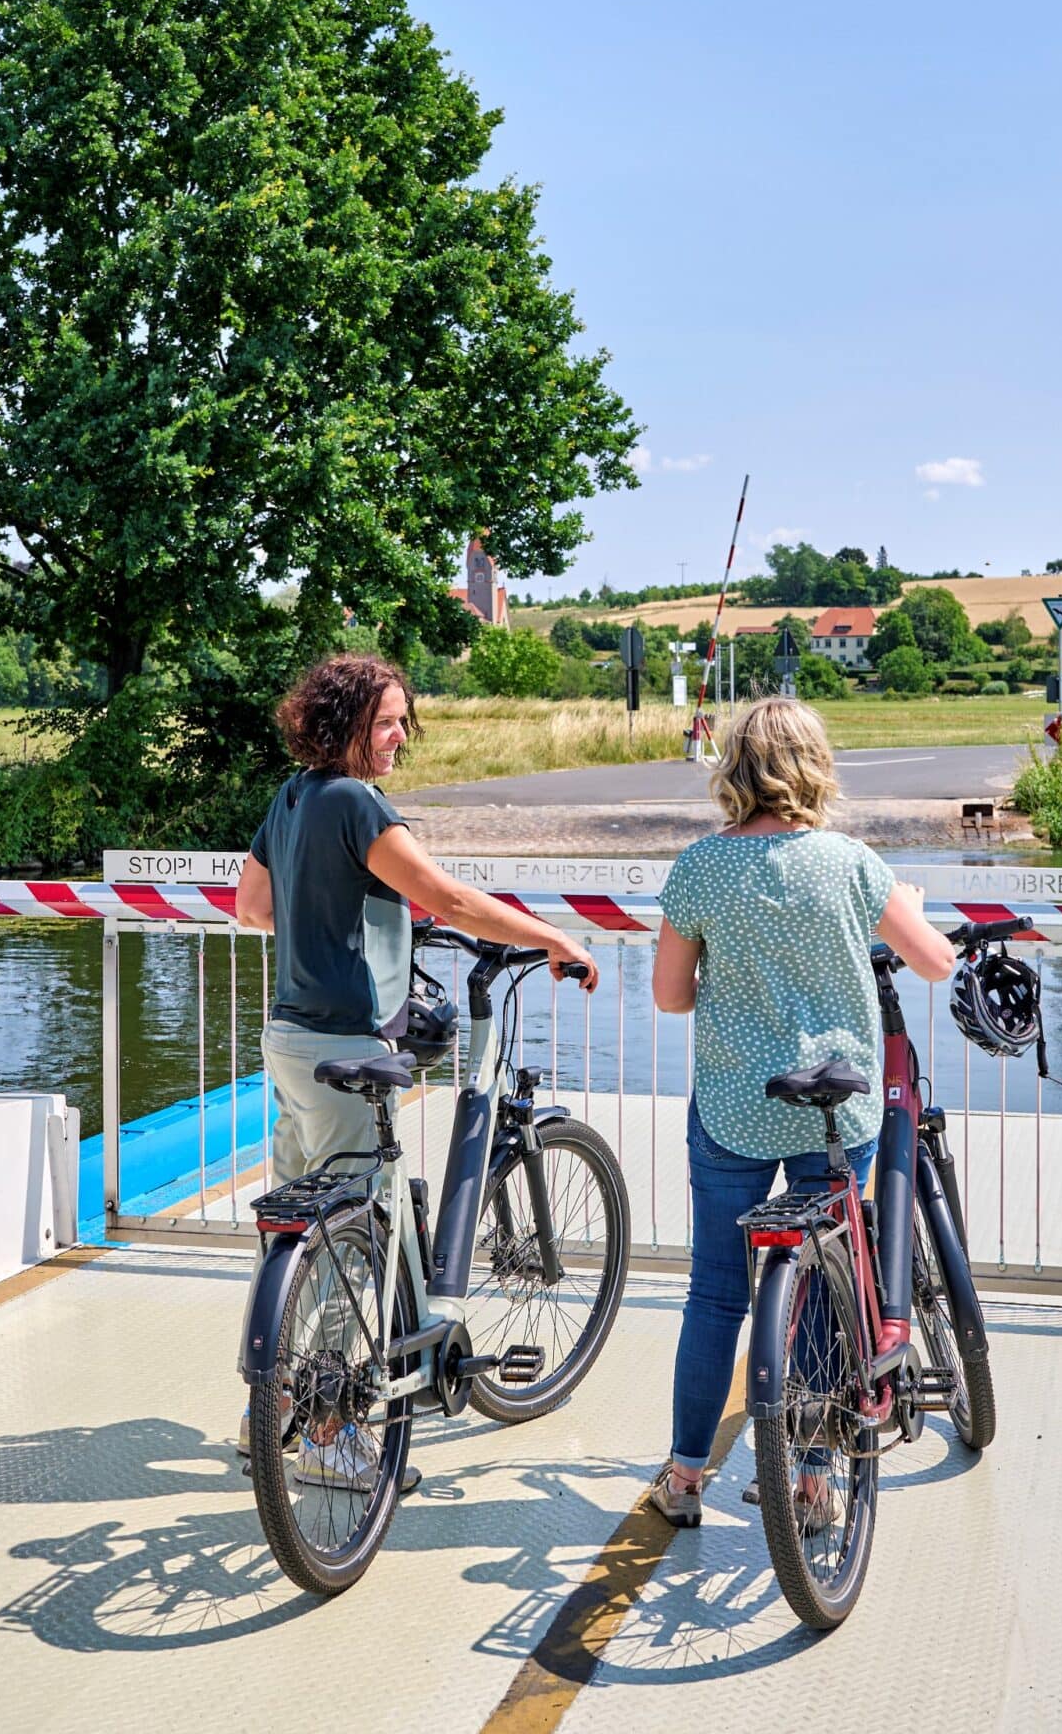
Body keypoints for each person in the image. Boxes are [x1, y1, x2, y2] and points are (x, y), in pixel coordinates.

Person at [641, 697, 954, 1527]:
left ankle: (684, 1476)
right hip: (834, 1112)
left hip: (734, 1105)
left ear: (733, 769)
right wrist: (911, 905)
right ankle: (814, 1481)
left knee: (716, 1295)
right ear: (814, 768)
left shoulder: (701, 868)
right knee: (820, 1288)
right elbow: (935, 962)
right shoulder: (849, 863)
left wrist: (733, 987)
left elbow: (670, 996)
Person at [234, 654, 595, 1185]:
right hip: (347, 1037)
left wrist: (326, 928)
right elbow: (451, 902)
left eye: (401, 720)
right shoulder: (356, 802)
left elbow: (252, 908)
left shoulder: (294, 793)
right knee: (360, 1210)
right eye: (384, 722)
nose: (400, 735)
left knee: (302, 1210)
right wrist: (554, 938)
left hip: (288, 1037)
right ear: (341, 724)